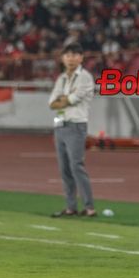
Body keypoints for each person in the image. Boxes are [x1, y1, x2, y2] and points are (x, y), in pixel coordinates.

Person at [48, 42, 97, 217]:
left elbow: (74, 99)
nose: (71, 58)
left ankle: (89, 207)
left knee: (76, 165)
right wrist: (64, 98)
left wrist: (63, 98)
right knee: (64, 169)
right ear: (62, 58)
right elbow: (52, 103)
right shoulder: (61, 78)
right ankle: (71, 207)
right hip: (60, 124)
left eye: (75, 55)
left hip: (76, 124)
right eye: (68, 55)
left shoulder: (84, 77)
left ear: (81, 58)